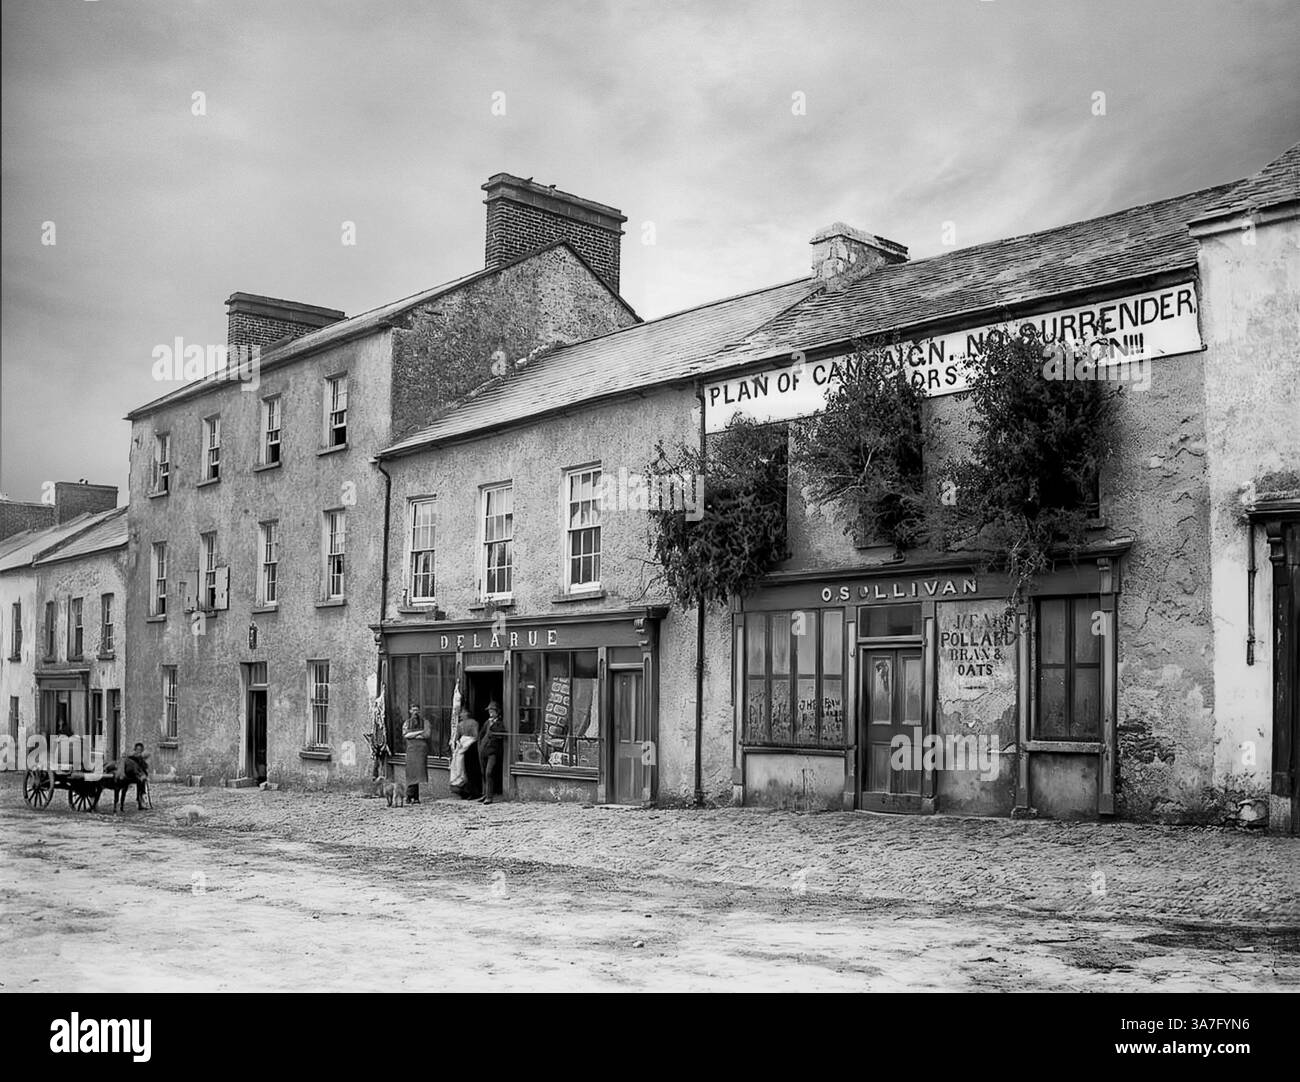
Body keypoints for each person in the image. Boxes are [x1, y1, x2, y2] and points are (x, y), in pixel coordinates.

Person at [402, 706, 432, 804]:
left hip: (421, 750)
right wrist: (419, 732)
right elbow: (406, 735)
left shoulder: (425, 722)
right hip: (411, 749)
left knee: (418, 772)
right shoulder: (407, 723)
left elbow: (427, 734)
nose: (415, 712)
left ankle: (412, 796)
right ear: (410, 711)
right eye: (413, 710)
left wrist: (412, 734)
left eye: (417, 710)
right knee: (411, 772)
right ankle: (412, 796)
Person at [448, 710, 481, 799]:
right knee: (465, 770)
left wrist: (462, 742)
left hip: (467, 747)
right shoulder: (466, 724)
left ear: (466, 714)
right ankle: (468, 791)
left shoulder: (471, 723)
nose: (461, 716)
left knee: (463, 769)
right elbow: (476, 735)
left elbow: (474, 735)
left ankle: (468, 791)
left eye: (462, 714)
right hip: (467, 747)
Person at [478, 701, 504, 805]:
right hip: (484, 750)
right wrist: (480, 745)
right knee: (484, 772)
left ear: (497, 712)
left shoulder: (499, 723)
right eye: (489, 711)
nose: (490, 713)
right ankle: (485, 793)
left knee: (489, 772)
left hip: (493, 751)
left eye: (492, 710)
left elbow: (501, 734)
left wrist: (494, 726)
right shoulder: (487, 722)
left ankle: (489, 796)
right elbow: (481, 734)